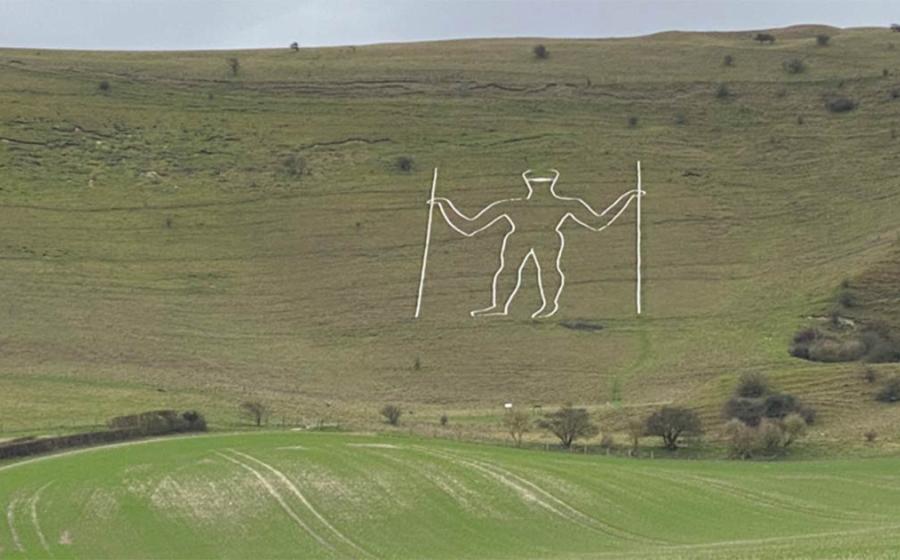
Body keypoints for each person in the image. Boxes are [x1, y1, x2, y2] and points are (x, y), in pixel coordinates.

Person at [430, 169, 644, 318]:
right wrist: (444, 205)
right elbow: (470, 227)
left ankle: (549, 304)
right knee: (508, 270)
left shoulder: (565, 204)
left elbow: (598, 222)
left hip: (547, 238)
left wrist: (629, 197)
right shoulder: (512, 206)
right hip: (519, 237)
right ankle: (500, 306)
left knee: (548, 269)